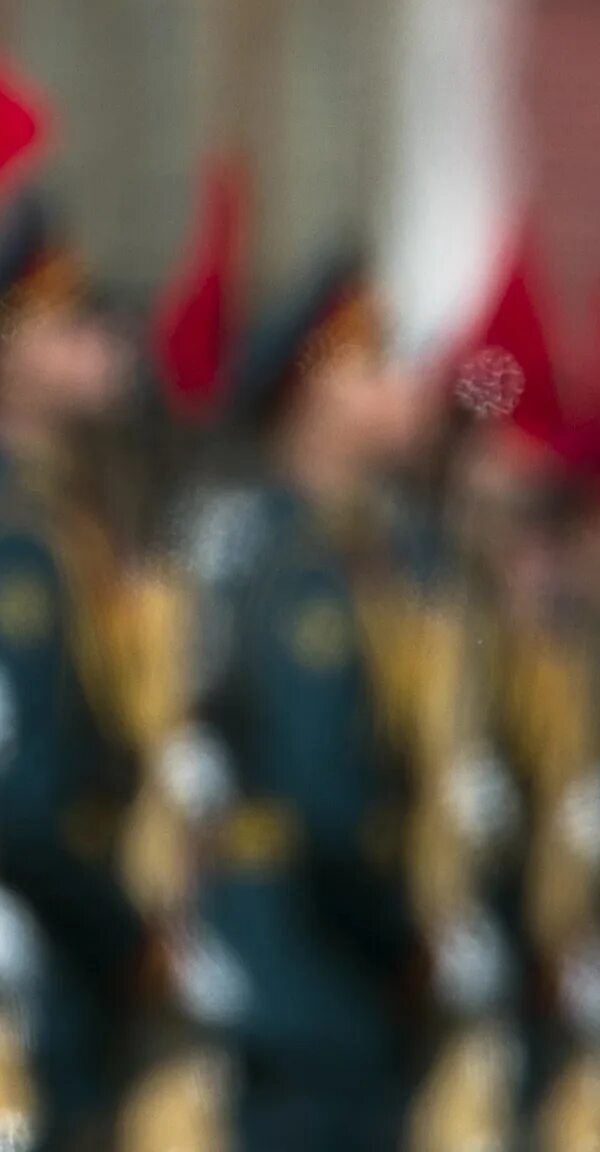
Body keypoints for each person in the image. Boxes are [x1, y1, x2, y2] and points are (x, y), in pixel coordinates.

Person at [0, 195, 246, 1152]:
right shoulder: (12, 533)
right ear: (1, 355)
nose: (109, 345)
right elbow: (23, 802)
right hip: (37, 958)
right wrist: (130, 941)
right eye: (75, 326)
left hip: (71, 961)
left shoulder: (64, 523)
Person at [197, 251, 504, 1152]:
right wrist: (411, 940)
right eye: (375, 367)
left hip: (333, 984)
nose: (406, 389)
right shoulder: (306, 573)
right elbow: (324, 802)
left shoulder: (372, 556)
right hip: (310, 974)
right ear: (315, 397)